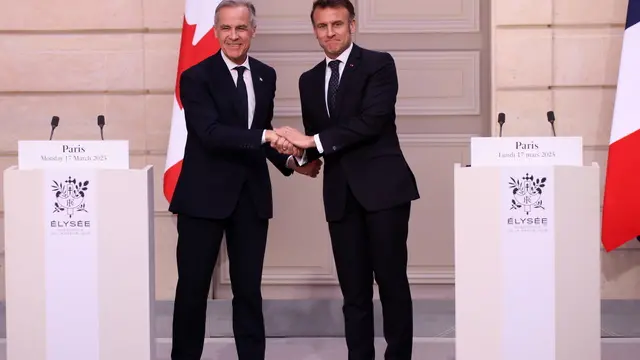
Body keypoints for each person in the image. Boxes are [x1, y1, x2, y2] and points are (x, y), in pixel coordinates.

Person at [168, 1, 322, 359]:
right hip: (202, 199)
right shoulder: (195, 76)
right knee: (192, 290)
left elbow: (257, 135)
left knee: (249, 291)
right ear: (216, 31)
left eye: (241, 28)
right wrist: (269, 137)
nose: (233, 36)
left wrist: (292, 162)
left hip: (250, 200)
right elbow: (210, 133)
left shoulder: (266, 75)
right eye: (225, 28)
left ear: (254, 30)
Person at [273, 0, 420, 359]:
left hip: (384, 192)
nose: (330, 33)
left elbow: (372, 121)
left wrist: (314, 142)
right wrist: (295, 157)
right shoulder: (309, 80)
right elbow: (315, 139)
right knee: (353, 292)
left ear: (352, 25)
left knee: (391, 285)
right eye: (322, 26)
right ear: (315, 30)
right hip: (340, 196)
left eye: (337, 24)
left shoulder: (378, 64)